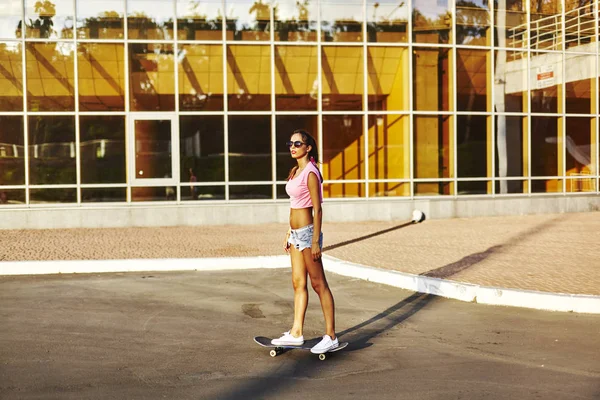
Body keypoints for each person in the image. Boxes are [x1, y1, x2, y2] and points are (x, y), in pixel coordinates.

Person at [271, 129, 338, 354]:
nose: (293, 146)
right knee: (298, 283)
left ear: (308, 147)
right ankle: (296, 332)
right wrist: (289, 232)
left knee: (318, 284)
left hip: (309, 235)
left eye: (297, 143)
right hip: (296, 234)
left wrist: (316, 242)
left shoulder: (311, 172)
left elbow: (317, 209)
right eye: (290, 143)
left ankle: (331, 336)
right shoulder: (295, 171)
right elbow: (294, 205)